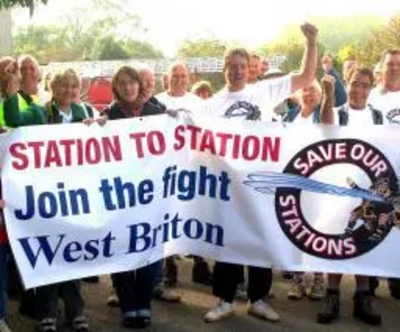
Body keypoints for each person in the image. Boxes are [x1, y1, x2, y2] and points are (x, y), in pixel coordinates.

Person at [203, 22, 319, 324]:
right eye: (233, 66)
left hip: (260, 183)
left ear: (248, 69)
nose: (238, 70)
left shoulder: (264, 91)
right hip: (227, 185)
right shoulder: (212, 104)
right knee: (227, 240)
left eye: (243, 66)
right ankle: (224, 300)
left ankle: (258, 299)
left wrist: (311, 42)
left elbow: (307, 77)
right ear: (224, 68)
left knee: (260, 236)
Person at [4, 68, 91, 332]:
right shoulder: (40, 112)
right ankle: (47, 314)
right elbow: (14, 118)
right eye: (63, 86)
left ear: (79, 90)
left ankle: (76, 312)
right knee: (49, 254)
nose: (68, 91)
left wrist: (96, 127)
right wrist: (10, 94)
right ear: (53, 89)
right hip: (47, 197)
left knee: (72, 256)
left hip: (74, 197)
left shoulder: (83, 113)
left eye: (73, 87)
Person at [318, 68, 384, 326]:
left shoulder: (378, 117)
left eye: (365, 85)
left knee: (365, 242)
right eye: (355, 83)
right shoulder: (339, 111)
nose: (359, 89)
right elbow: (325, 126)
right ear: (348, 84)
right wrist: (327, 95)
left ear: (371, 87)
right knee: (336, 240)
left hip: (370, 191)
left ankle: (362, 298)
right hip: (339, 186)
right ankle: (332, 296)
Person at [102, 66, 164, 329]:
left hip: (152, 197)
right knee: (123, 250)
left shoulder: (158, 113)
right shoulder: (109, 115)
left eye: (132, 83)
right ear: (117, 88)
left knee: (149, 253)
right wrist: (92, 128)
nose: (128, 88)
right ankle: (128, 306)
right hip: (121, 197)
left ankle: (143, 305)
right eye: (123, 84)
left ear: (140, 85)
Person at [368, 49, 400, 298]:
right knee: (375, 223)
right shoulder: (371, 98)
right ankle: (368, 282)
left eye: (398, 64)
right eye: (390, 64)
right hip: (376, 172)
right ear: (382, 67)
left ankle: (396, 277)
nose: (394, 68)